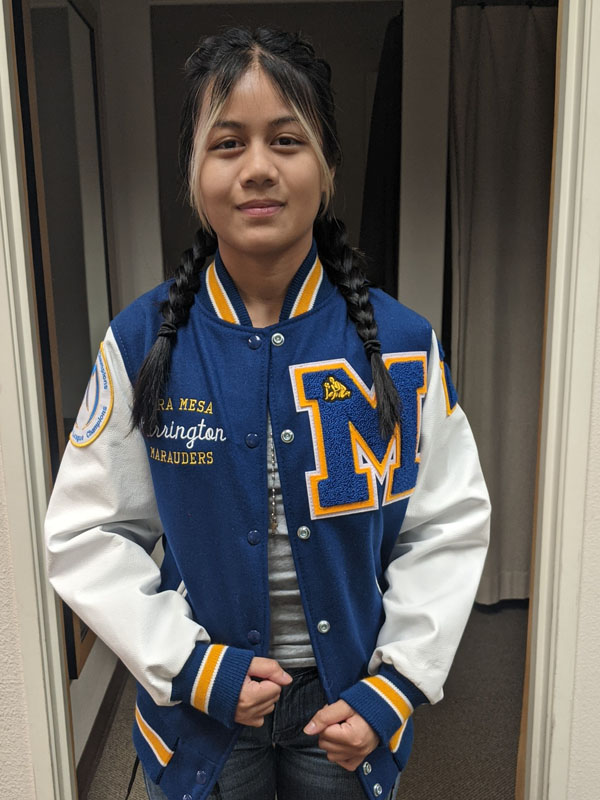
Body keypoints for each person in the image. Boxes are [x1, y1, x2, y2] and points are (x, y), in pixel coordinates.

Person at [45, 27, 490, 800]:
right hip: (203, 710)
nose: (257, 168)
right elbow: (87, 535)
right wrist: (190, 665)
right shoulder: (142, 342)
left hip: (347, 706)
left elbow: (445, 528)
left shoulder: (402, 345)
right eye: (227, 144)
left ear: (327, 166)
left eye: (286, 140)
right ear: (193, 174)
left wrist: (397, 682)